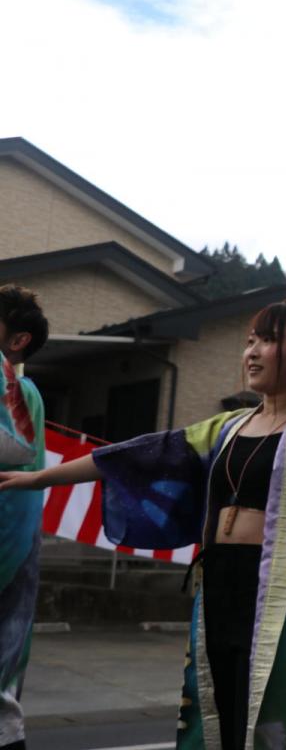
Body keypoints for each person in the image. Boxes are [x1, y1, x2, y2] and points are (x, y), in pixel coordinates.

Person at [0, 288, 286, 750]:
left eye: (268, 341)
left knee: (274, 713)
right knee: (213, 706)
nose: (252, 352)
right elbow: (136, 455)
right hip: (219, 588)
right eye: (249, 341)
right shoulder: (227, 427)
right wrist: (41, 478)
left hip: (284, 599)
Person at [0, 286, 48, 750]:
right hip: (19, 537)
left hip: (9, 537)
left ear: (17, 342)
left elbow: (15, 448)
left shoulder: (16, 387)